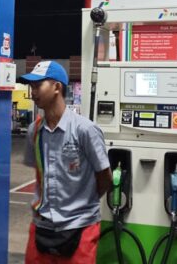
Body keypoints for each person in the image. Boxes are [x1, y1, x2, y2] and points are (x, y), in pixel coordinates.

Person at [19, 60, 112, 263]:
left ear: (56, 87)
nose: (33, 92)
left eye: (38, 85)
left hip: (80, 227)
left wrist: (82, 202)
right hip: (42, 226)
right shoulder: (34, 131)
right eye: (31, 86)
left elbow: (105, 177)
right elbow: (39, 175)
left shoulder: (85, 130)